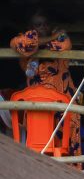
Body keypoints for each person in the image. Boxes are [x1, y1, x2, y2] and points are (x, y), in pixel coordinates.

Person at [10, 10, 80, 156]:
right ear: (30, 26)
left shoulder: (60, 36)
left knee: (68, 145)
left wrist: (44, 41)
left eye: (46, 24)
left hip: (63, 101)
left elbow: (63, 44)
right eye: (38, 24)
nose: (43, 27)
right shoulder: (22, 38)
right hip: (37, 106)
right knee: (39, 147)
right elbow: (24, 45)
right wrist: (50, 37)